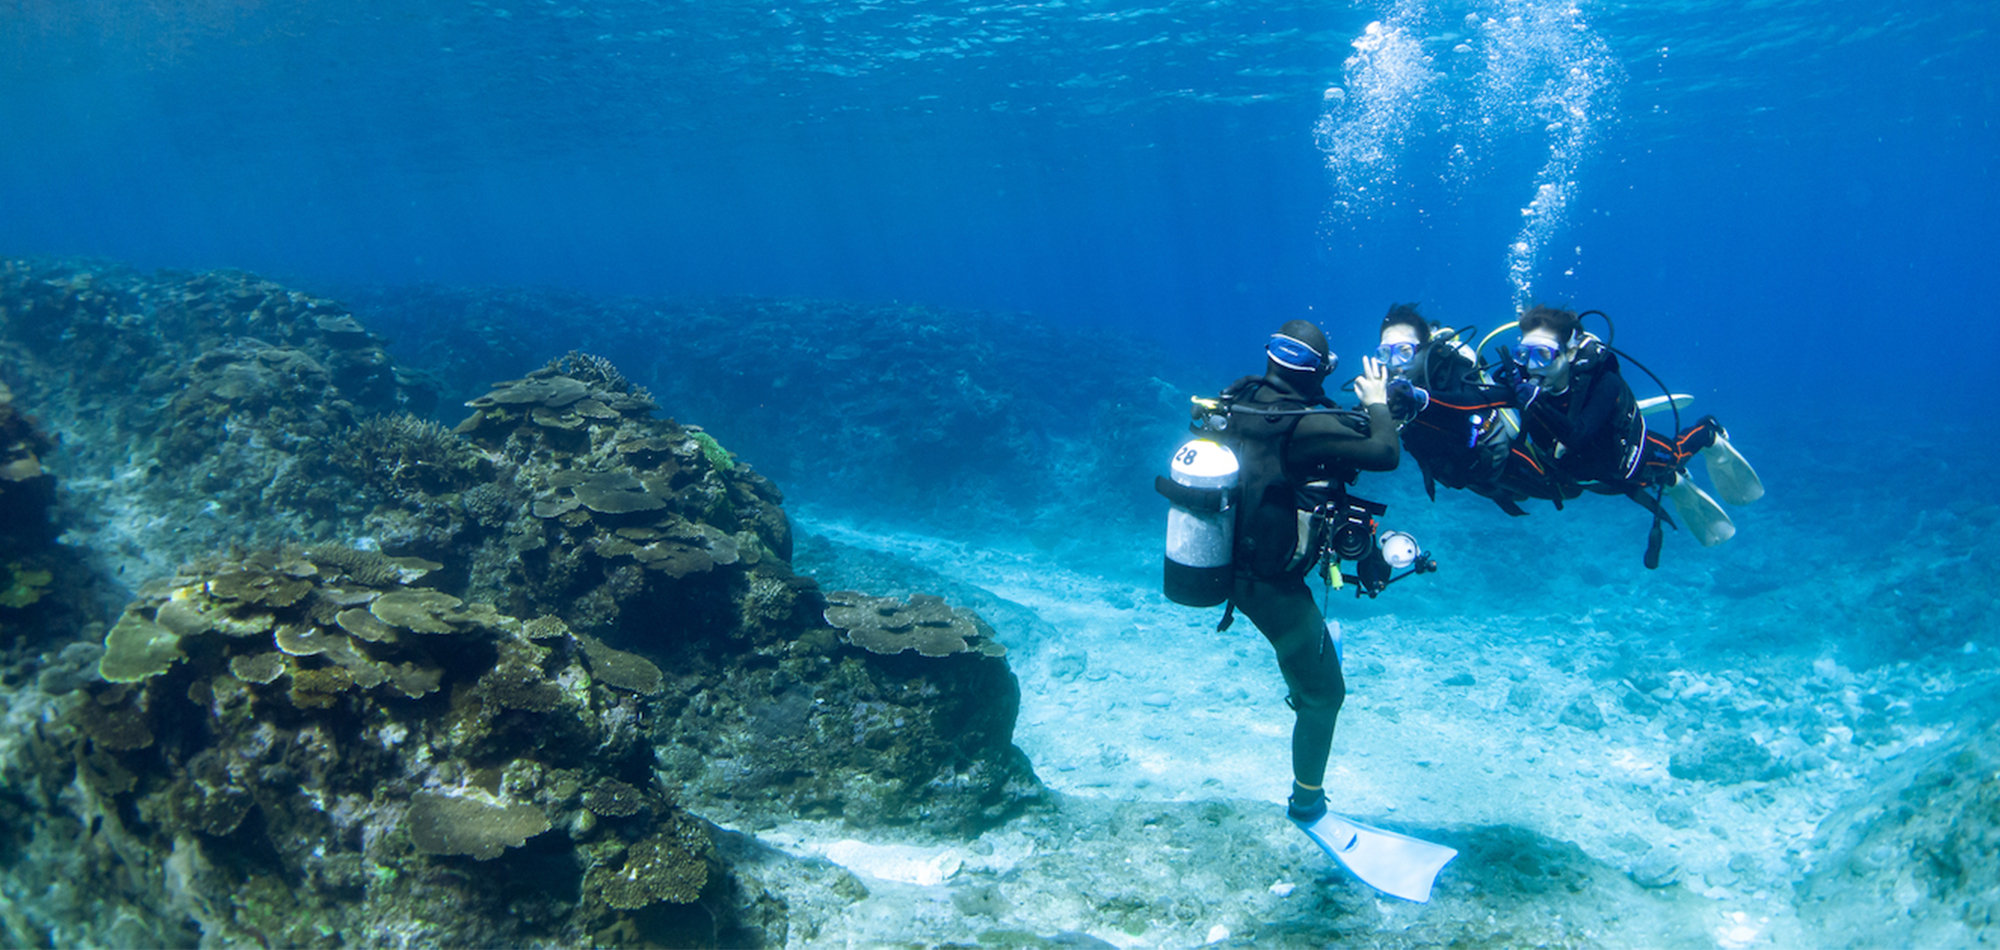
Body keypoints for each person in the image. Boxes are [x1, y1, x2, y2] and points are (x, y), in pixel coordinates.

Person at [1205, 320, 1397, 824]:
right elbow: (1385, 452)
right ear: (1320, 370)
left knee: (1310, 666)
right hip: (1267, 585)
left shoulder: (1242, 398)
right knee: (1325, 695)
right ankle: (1307, 803)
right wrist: (1377, 401)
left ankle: (1303, 660)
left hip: (1232, 561)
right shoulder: (1303, 425)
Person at [1496, 305, 1764, 550]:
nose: (1532, 366)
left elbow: (1577, 436)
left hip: (1623, 456)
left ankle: (1707, 434)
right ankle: (1670, 480)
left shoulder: (1604, 381)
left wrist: (1535, 402)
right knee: (1649, 477)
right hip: (1585, 473)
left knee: (1672, 456)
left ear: (1570, 350)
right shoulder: (1524, 382)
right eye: (1524, 354)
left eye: (1543, 355)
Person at [1375, 304, 1568, 516]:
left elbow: (1470, 402)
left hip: (1505, 461)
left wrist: (1420, 398)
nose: (1395, 363)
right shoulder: (1389, 388)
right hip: (1468, 476)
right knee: (1511, 494)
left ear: (1425, 348)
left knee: (1562, 489)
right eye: (1385, 353)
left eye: (1404, 351)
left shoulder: (1451, 367)